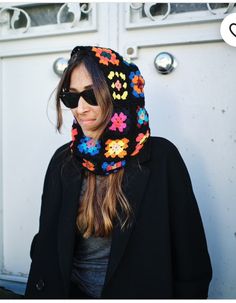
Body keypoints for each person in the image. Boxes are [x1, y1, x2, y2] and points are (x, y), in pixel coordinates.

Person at [24, 46, 212, 299]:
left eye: (91, 95)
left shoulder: (161, 158)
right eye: (71, 98)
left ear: (119, 95)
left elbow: (190, 253)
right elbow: (46, 243)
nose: (80, 109)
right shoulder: (64, 159)